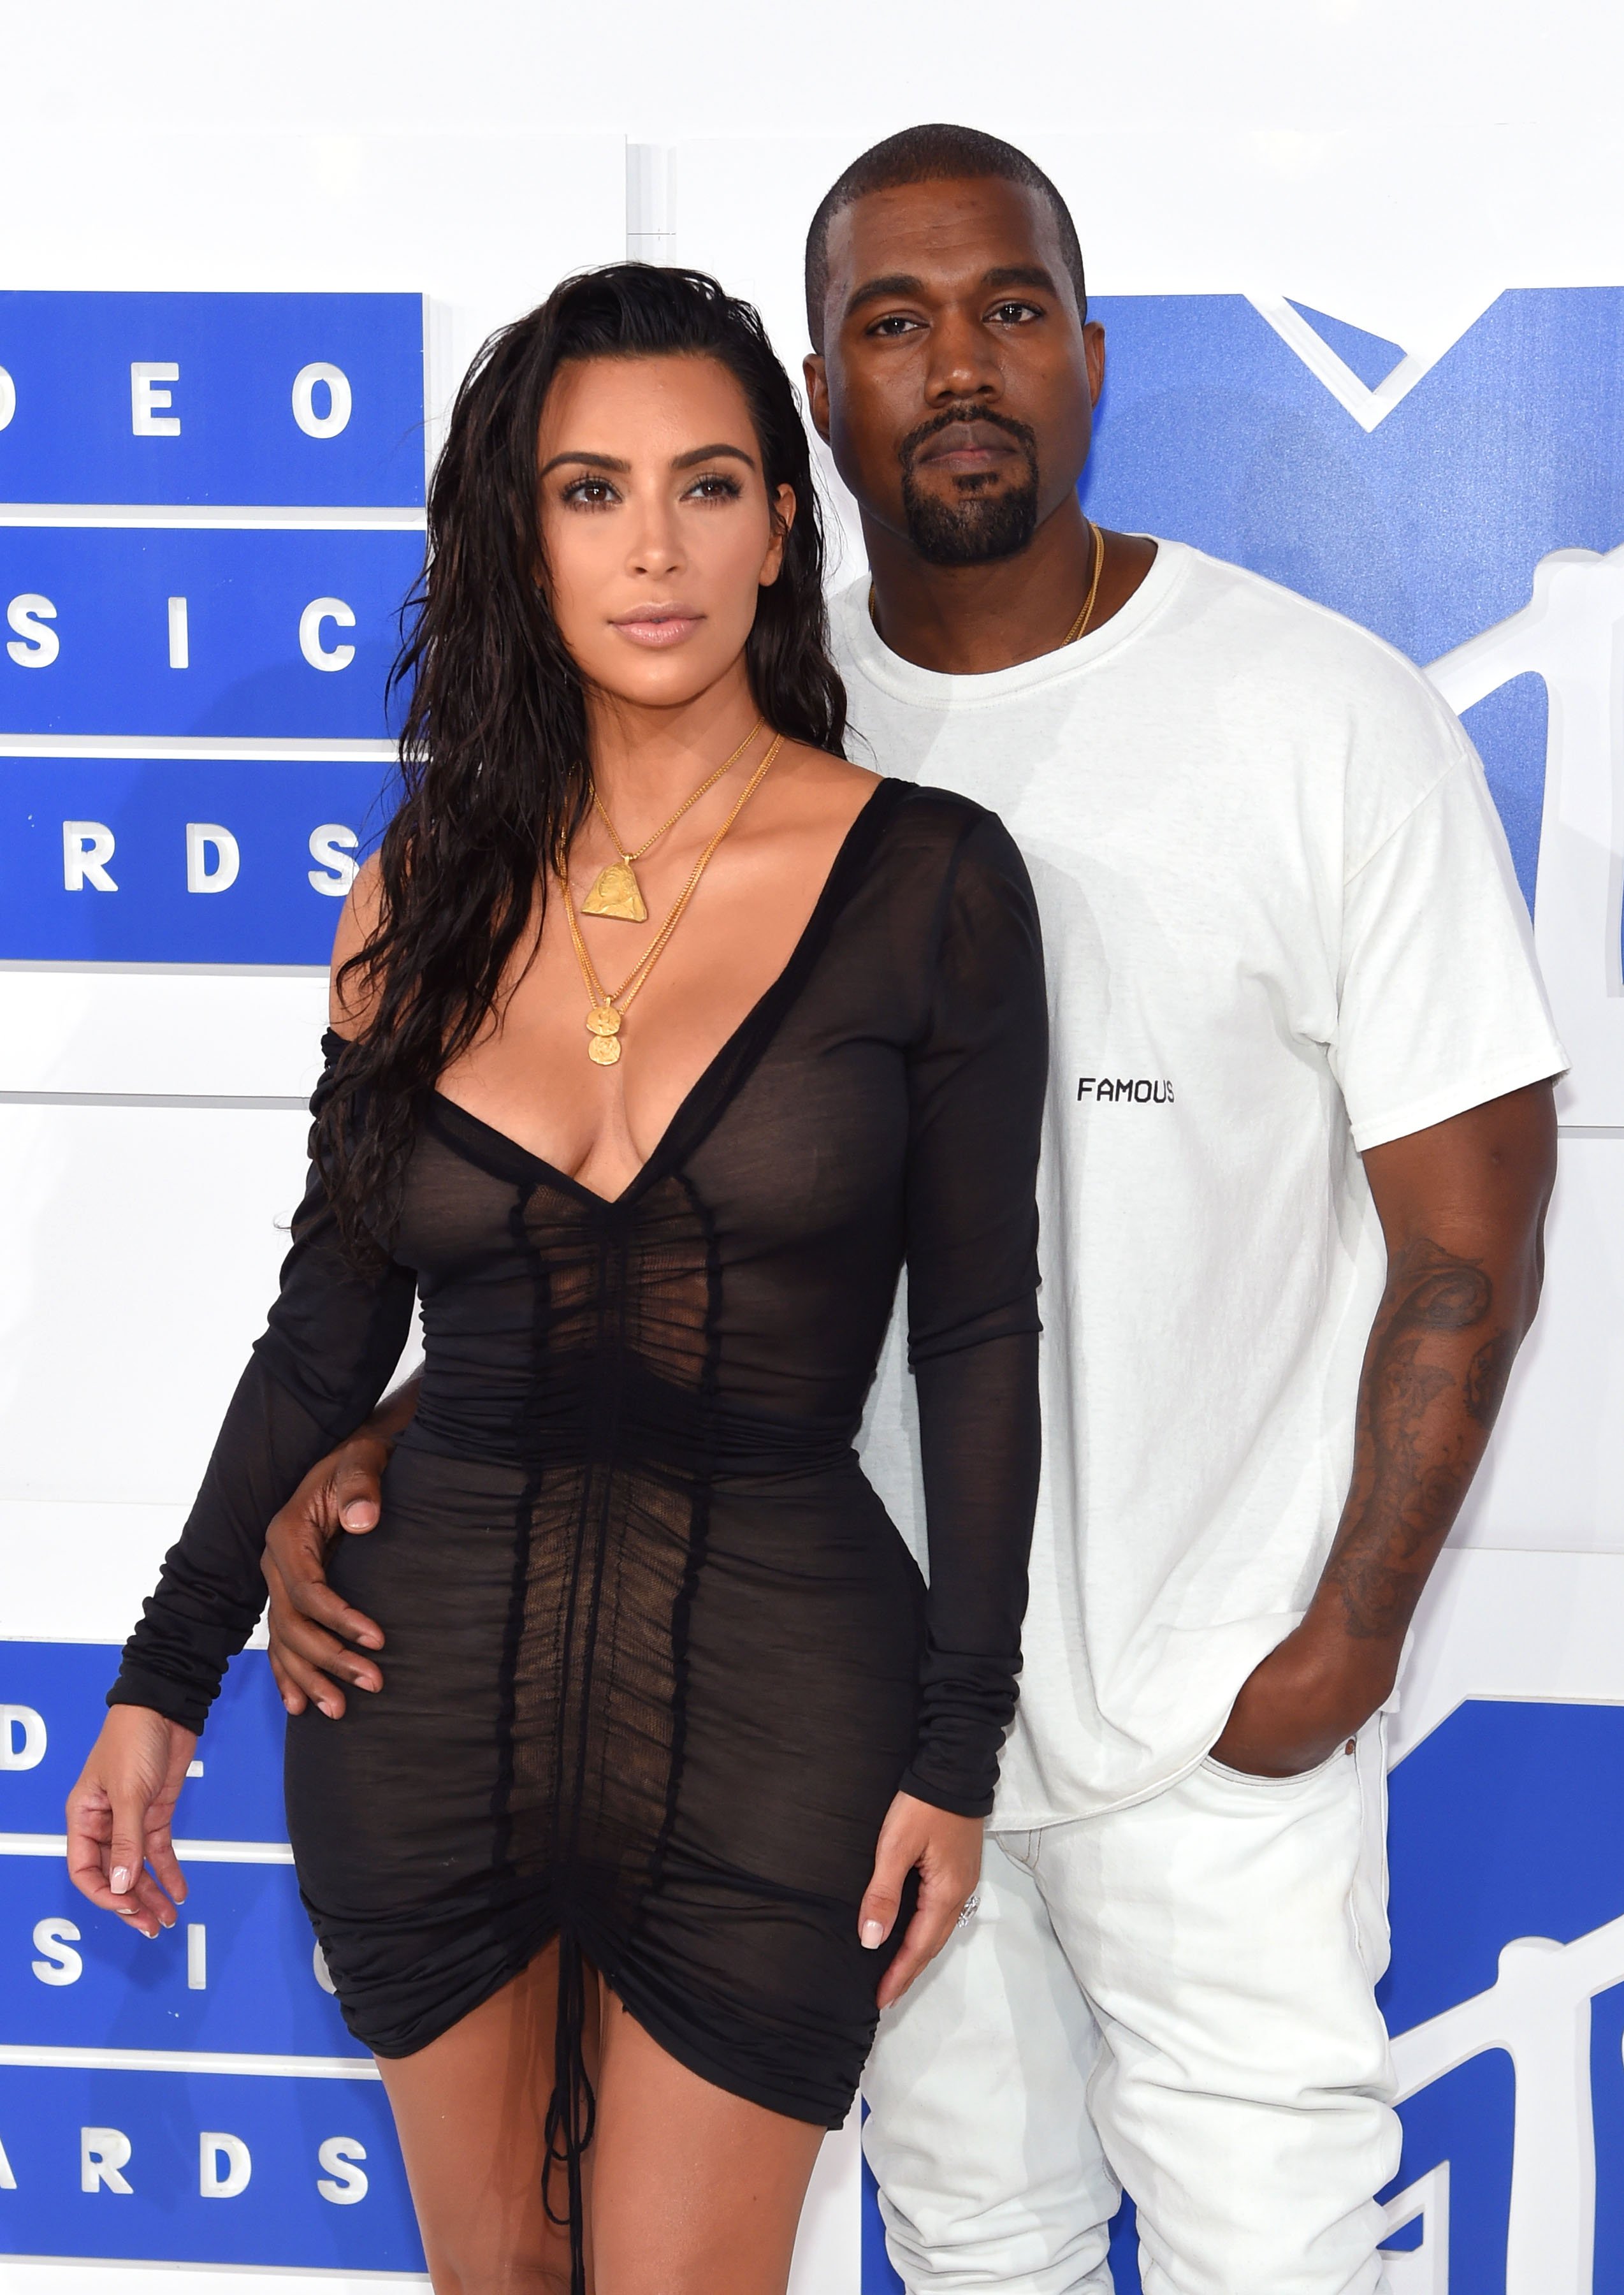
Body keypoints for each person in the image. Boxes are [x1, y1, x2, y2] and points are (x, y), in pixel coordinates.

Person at [252, 128, 1562, 2294]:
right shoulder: (749, 705)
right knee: (973, 2256)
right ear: (813, 407)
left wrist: (1330, 1652)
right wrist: (390, 1434)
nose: (957, 367)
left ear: (1091, 358)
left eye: (1009, 311)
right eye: (890, 324)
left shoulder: (1320, 716)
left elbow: (1469, 1229)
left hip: (1201, 1728)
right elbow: (630, 1207)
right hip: (832, 1723)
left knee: (1277, 2262)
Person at [62, 262, 1047, 2295]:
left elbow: (971, 1334)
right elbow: (330, 1319)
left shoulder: (930, 881)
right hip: (412, 1691)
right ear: (519, 534)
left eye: (705, 485)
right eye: (589, 491)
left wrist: (958, 1748)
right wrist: (164, 1675)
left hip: (783, 1697)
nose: (655, 547)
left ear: (784, 518)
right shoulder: (420, 887)